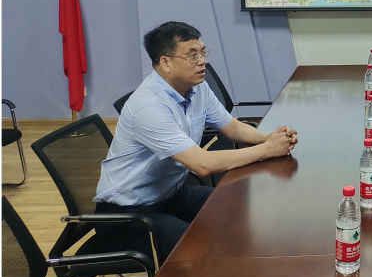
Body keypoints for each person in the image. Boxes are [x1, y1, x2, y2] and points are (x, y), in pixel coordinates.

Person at [94, 21, 298, 261]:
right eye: (192, 56)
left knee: (242, 209)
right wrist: (267, 149)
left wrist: (272, 138)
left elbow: (232, 127)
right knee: (200, 249)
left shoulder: (196, 88)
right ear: (165, 62)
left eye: (202, 53)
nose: (202, 61)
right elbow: (202, 164)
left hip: (170, 194)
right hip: (129, 214)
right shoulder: (148, 107)